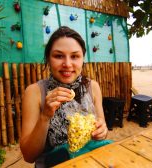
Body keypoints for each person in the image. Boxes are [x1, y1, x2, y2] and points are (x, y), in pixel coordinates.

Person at [20, 26, 108, 167]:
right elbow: (28, 156)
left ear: (83, 58)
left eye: (75, 56)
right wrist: (45, 116)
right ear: (48, 58)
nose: (67, 64)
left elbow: (102, 129)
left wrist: (102, 131)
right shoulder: (35, 92)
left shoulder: (93, 88)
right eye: (59, 56)